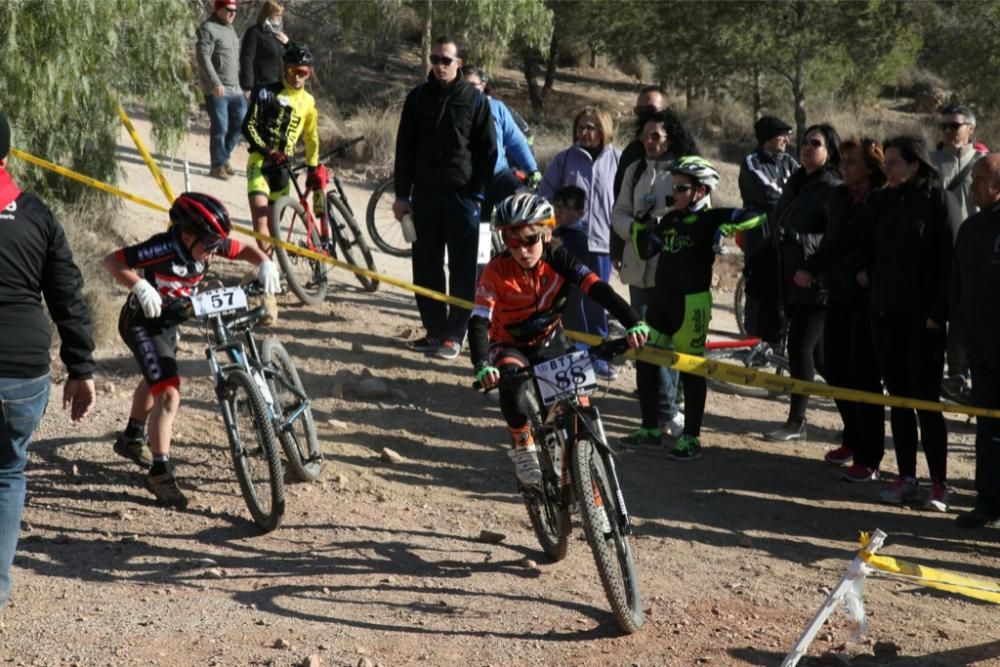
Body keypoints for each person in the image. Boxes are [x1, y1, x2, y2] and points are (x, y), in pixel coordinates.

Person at [104, 193, 281, 509]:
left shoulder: (207, 243)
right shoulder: (161, 248)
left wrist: (265, 263)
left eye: (217, 245)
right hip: (142, 324)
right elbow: (112, 261)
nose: (214, 253)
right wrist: (139, 286)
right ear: (186, 236)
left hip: (169, 323)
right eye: (210, 245)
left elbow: (243, 250)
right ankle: (160, 472)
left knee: (156, 376)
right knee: (169, 393)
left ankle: (132, 437)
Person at [468, 193, 647, 486]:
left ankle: (584, 468)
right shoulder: (495, 271)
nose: (523, 250)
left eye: (531, 240)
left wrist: (633, 322)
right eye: (514, 242)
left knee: (578, 409)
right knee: (511, 381)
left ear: (548, 234)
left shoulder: (560, 259)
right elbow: (478, 320)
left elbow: (599, 290)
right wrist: (481, 362)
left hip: (551, 340)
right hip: (510, 345)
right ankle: (524, 447)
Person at [0, 112, 96, 608]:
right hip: (22, 369)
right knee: (7, 472)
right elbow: (68, 296)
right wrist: (80, 368)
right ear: (8, 154)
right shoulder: (36, 214)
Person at [630, 157, 765, 459]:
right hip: (661, 300)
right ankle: (650, 428)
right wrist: (641, 222)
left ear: (701, 191)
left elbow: (759, 216)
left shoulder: (712, 217)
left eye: (680, 187)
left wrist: (726, 227)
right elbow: (645, 249)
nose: (673, 192)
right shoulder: (669, 219)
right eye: (673, 186)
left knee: (692, 370)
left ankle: (691, 436)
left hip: (692, 304)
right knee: (645, 359)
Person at [392, 36, 497, 361]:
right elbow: (404, 150)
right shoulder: (418, 98)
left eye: (446, 60)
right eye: (435, 59)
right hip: (423, 197)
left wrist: (477, 193)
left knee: (464, 270)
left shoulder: (476, 101)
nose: (439, 66)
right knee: (426, 267)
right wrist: (401, 195)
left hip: (463, 199)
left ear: (459, 64)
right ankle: (434, 330)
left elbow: (488, 151)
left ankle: (455, 334)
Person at [866, 136, 953, 512]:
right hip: (888, 317)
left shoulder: (938, 200)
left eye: (895, 163)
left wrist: (938, 313)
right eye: (886, 163)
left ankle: (939, 484)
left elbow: (951, 262)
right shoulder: (883, 200)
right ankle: (906, 477)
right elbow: (869, 247)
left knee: (926, 402)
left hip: (926, 321)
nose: (888, 169)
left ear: (915, 164)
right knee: (899, 400)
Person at [793, 138, 886, 481]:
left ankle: (869, 456)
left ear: (870, 168)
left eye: (852, 163)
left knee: (863, 375)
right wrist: (812, 268)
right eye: (843, 162)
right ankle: (852, 437)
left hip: (868, 301)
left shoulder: (880, 200)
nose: (844, 169)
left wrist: (868, 274)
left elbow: (881, 247)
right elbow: (833, 242)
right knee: (835, 368)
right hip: (838, 293)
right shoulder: (839, 198)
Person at [611, 110, 699, 444]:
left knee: (664, 344)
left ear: (670, 139)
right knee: (643, 342)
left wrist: (663, 227)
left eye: (656, 136)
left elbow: (697, 213)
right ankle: (652, 421)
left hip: (671, 273)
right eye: (645, 136)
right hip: (638, 270)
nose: (649, 142)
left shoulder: (686, 173)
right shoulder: (634, 171)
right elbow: (617, 213)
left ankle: (669, 412)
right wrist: (633, 230)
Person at [764, 124, 842, 442]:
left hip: (818, 284)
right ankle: (858, 418)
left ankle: (796, 422)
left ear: (830, 151)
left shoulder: (833, 187)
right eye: (804, 142)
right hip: (791, 281)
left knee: (799, 347)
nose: (807, 147)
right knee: (823, 359)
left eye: (816, 143)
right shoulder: (797, 182)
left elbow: (836, 237)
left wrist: (800, 242)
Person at [537, 107, 621, 379]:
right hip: (568, 241)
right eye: (581, 127)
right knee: (570, 299)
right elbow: (545, 195)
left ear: (603, 130)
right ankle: (573, 351)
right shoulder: (564, 159)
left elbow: (622, 203)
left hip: (602, 243)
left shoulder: (618, 161)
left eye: (591, 127)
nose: (585, 132)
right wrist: (551, 226)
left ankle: (598, 355)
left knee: (597, 299)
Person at [241, 42, 320, 323]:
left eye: (303, 72)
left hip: (284, 171)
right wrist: (266, 150)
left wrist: (312, 167)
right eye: (292, 70)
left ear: (308, 73)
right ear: (284, 68)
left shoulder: (309, 102)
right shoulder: (266, 91)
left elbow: (311, 137)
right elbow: (247, 126)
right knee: (261, 225)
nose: (297, 77)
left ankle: (265, 269)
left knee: (274, 230)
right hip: (260, 165)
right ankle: (268, 298)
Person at [950, 154, 1000, 528]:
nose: (973, 185)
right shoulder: (971, 229)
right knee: (987, 432)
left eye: (981, 179)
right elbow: (960, 285)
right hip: (981, 349)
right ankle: (987, 503)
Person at [931, 104, 982, 403]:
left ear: (971, 128)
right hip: (938, 251)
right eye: (945, 126)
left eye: (955, 125)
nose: (949, 131)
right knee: (936, 315)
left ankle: (958, 375)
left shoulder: (985, 163)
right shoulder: (930, 162)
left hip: (973, 252)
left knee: (966, 316)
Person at [738, 115, 799, 346]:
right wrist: (794, 201)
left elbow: (802, 186)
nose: (786, 139)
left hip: (785, 228)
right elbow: (769, 193)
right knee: (759, 284)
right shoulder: (752, 161)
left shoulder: (790, 162)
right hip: (760, 230)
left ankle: (778, 335)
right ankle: (753, 340)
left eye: (787, 135)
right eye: (781, 135)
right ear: (767, 138)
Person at [462, 66, 540, 223]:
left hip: (497, 174)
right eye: (463, 86)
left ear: (483, 86)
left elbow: (515, 141)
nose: (468, 90)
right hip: (468, 179)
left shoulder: (497, 108)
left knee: (524, 210)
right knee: (474, 228)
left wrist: (532, 169)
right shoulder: (453, 109)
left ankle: (517, 245)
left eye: (472, 85)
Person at [610, 86, 670, 271]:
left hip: (673, 260)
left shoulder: (686, 156)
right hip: (637, 259)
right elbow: (619, 204)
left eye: (649, 110)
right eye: (639, 111)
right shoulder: (632, 154)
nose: (644, 115)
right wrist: (617, 248)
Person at [196, 0, 247, 180]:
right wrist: (215, 83)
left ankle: (223, 157)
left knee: (241, 122)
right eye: (229, 10)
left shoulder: (230, 29)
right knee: (221, 127)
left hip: (235, 88)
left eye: (235, 11)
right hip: (217, 89)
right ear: (219, 9)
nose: (233, 14)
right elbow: (203, 57)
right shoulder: (207, 28)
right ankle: (217, 165)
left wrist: (243, 85)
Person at [239, 0, 290, 94]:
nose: (279, 18)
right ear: (267, 14)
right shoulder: (255, 32)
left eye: (281, 15)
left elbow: (289, 57)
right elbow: (247, 59)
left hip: (279, 85)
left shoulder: (279, 35)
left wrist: (287, 44)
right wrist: (247, 85)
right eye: (277, 15)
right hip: (261, 85)